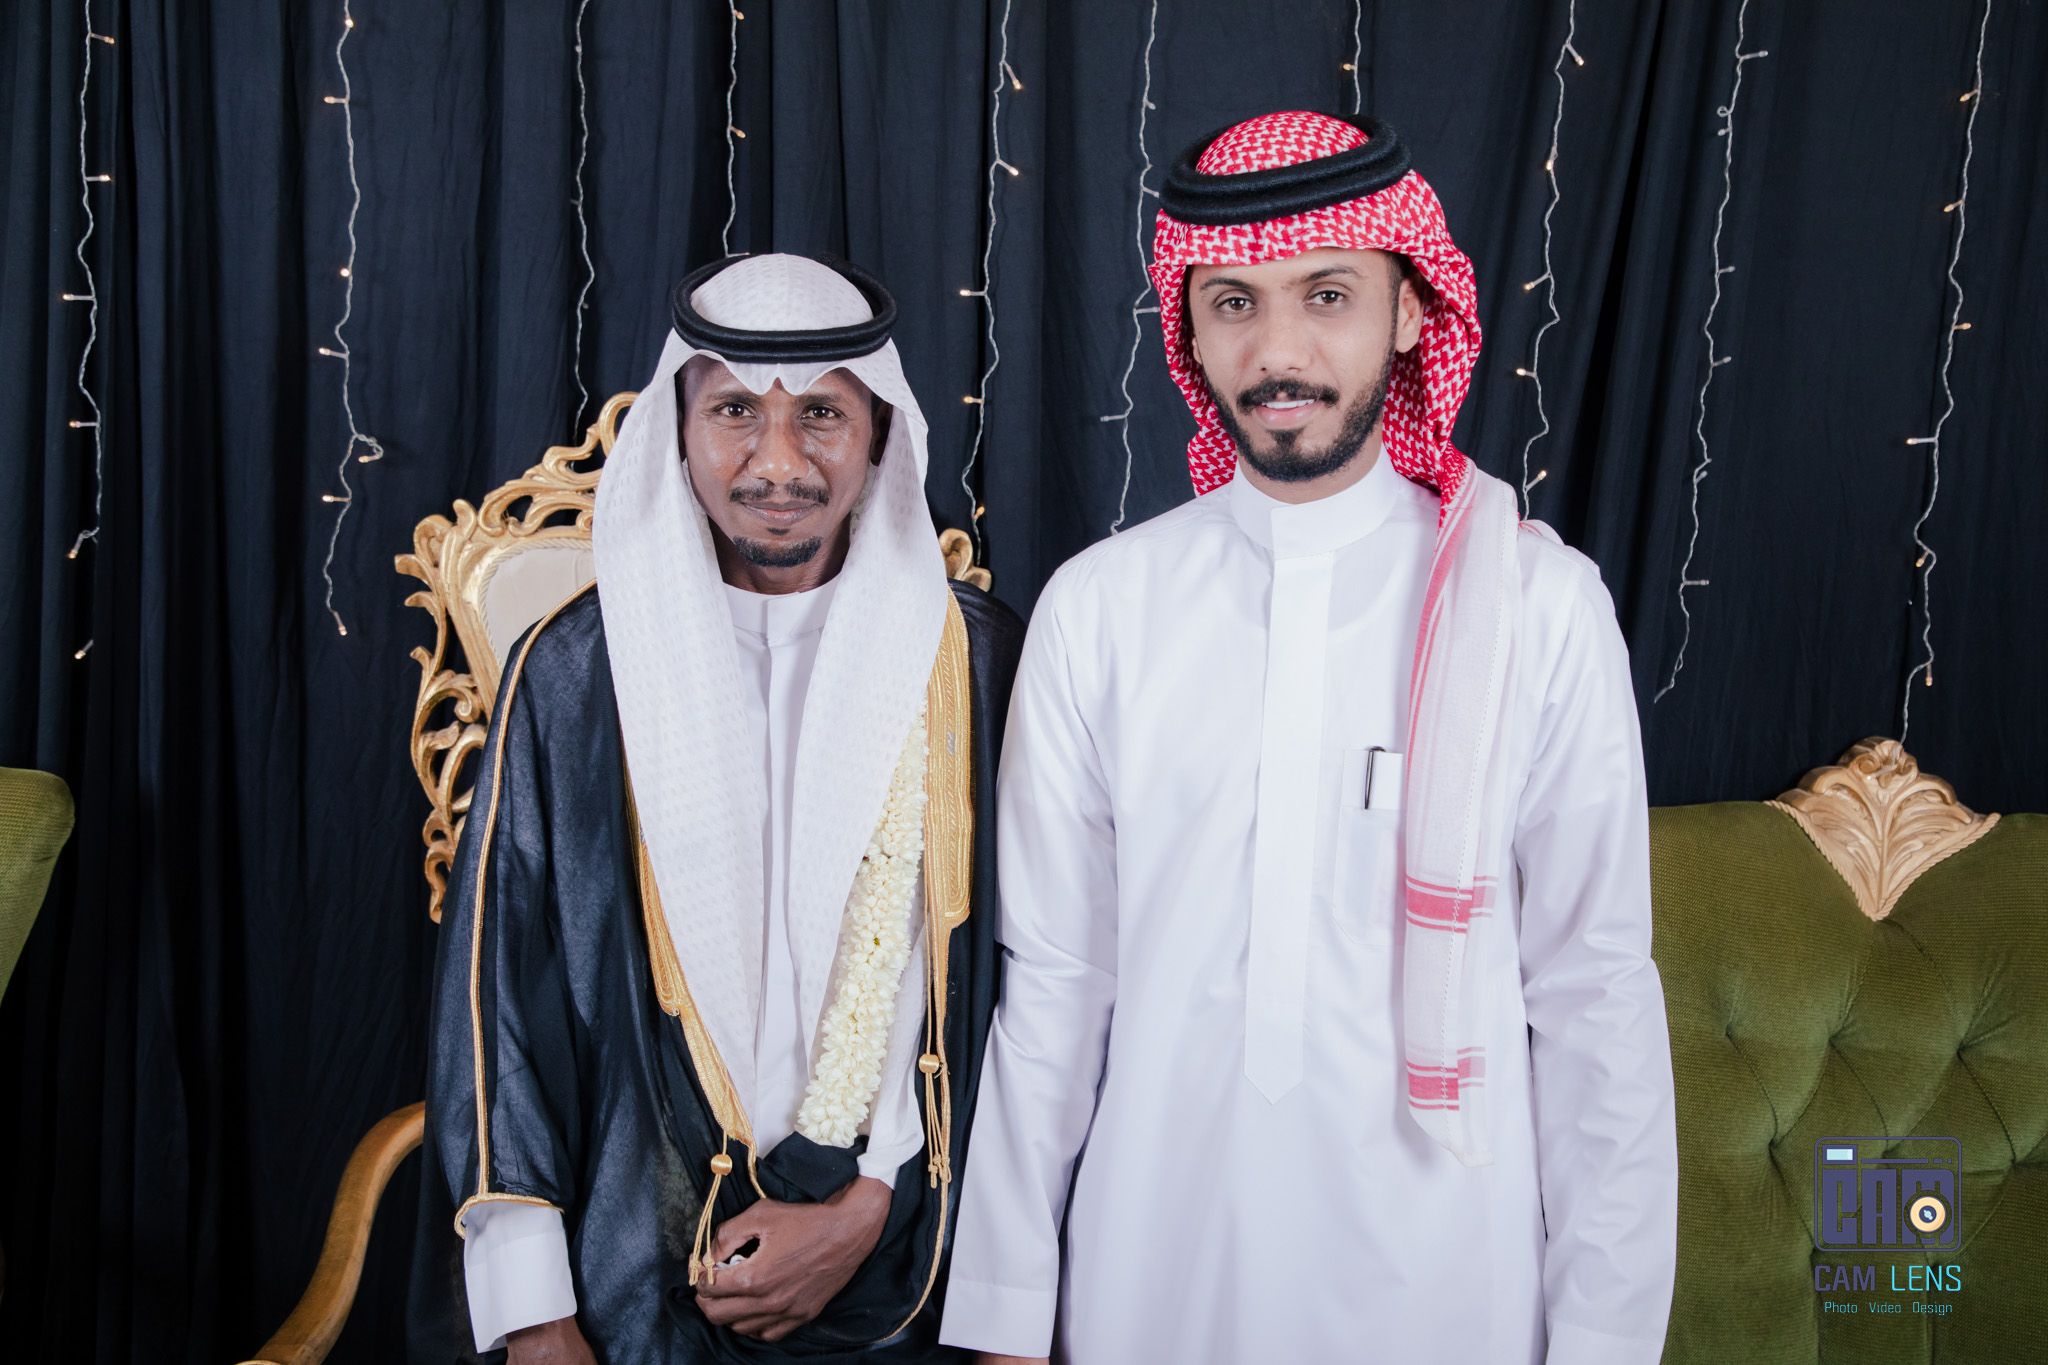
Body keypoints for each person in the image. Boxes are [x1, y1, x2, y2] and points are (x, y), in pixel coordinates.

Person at [939, 112, 1677, 1364]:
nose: (1276, 352)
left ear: (1408, 310)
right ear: (1187, 330)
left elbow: (1592, 996)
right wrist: (1007, 1311)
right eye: (1231, 303)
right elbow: (1057, 984)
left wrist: (1604, 1340)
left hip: (1443, 1283)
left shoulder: (1534, 607)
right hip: (1150, 1270)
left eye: (1325, 295)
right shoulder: (1099, 609)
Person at [409, 252, 1023, 1365]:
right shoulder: (576, 671)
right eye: (735, 410)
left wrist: (868, 1202)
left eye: (822, 413)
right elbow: (496, 997)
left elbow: (1020, 992)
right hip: (629, 1262)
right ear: (679, 433)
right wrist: (535, 1316)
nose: (777, 462)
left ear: (880, 436)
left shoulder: (972, 665)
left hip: (907, 1258)